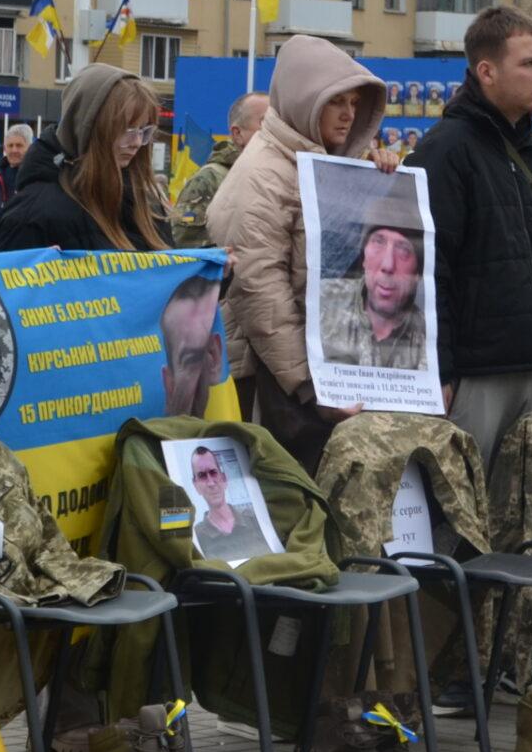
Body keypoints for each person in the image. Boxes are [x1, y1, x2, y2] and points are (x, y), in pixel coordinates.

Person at [207, 35, 398, 470]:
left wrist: (380, 177)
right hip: (275, 385)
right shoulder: (263, 175)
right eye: (336, 103)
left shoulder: (315, 163)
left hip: (317, 375)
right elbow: (260, 294)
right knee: (290, 506)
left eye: (355, 103)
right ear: (305, 101)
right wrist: (312, 386)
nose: (350, 115)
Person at [406, 5, 532, 467]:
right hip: (475, 376)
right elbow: (427, 269)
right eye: (529, 63)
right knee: (461, 518)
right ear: (487, 71)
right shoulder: (443, 150)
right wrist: (438, 370)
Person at [0, 62, 170, 252]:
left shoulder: (146, 205)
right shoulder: (33, 214)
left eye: (143, 130)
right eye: (126, 129)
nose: (137, 142)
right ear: (87, 127)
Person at [318, 189, 427, 372]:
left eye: (403, 249)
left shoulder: (429, 334)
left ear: (418, 274)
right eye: (378, 242)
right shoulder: (322, 301)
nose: (387, 264)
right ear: (364, 257)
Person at [171, 91, 267, 249]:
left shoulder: (278, 177)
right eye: (265, 123)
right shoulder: (210, 179)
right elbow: (185, 243)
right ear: (237, 134)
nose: (273, 130)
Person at [185, 444, 273, 563]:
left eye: (213, 472)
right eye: (202, 476)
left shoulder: (256, 519)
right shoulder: (195, 536)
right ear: (196, 486)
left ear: (224, 479)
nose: (211, 483)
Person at [158, 275, 226, 417]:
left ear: (215, 357)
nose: (198, 375)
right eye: (190, 360)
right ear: (168, 383)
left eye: (197, 357)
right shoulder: (137, 438)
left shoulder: (246, 437)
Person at [0, 122, 32, 210]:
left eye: (19, 145)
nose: (14, 150)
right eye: (10, 145)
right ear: (5, 149)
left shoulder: (37, 175)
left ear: (30, 148)